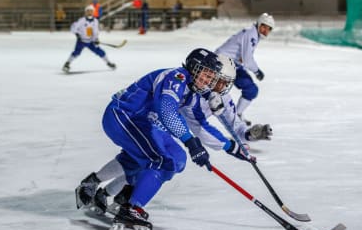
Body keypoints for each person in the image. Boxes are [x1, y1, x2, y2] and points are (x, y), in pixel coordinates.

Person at [75, 48, 240, 230]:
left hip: (146, 123)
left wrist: (231, 147)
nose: (208, 81)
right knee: (161, 161)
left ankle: (106, 191)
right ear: (194, 69)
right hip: (124, 116)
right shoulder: (176, 77)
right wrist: (191, 142)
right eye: (205, 75)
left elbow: (198, 125)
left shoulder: (193, 92)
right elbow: (167, 111)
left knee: (176, 159)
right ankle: (130, 210)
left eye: (211, 77)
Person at [79, 89, 273, 218]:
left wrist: (248, 135)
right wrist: (231, 147)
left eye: (223, 82)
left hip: (170, 129)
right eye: (215, 78)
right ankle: (105, 188)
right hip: (153, 119)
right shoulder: (198, 89)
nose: (217, 83)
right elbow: (200, 127)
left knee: (172, 161)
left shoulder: (223, 95)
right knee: (149, 158)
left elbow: (234, 125)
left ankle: (111, 193)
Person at [215, 13, 275, 125]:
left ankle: (237, 116)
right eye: (264, 26)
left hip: (232, 64)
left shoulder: (253, 33)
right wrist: (257, 71)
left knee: (251, 90)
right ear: (259, 23)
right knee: (213, 95)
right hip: (223, 64)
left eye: (269, 28)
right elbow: (247, 59)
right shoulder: (251, 34)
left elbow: (244, 57)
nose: (266, 30)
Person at [62, 5, 116, 73]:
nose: (90, 12)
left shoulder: (95, 21)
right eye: (88, 11)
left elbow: (95, 31)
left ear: (93, 12)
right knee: (76, 52)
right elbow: (73, 27)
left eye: (91, 11)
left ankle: (108, 62)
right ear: (85, 12)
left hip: (91, 41)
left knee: (100, 51)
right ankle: (67, 64)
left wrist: (96, 39)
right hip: (81, 40)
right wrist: (77, 35)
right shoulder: (81, 20)